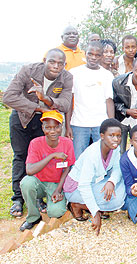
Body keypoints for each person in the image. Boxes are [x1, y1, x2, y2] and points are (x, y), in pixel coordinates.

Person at [3, 48, 73, 218]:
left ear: (65, 64)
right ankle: (18, 199)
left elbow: (64, 103)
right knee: (20, 157)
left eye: (60, 63)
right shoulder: (28, 70)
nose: (56, 66)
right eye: (52, 62)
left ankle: (38, 196)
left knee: (41, 157)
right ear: (44, 60)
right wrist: (38, 108)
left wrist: (45, 99)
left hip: (47, 123)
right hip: (22, 119)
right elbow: (8, 97)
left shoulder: (67, 77)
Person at [64, 118, 126, 235]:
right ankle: (76, 205)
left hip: (94, 183)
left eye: (118, 136)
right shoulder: (92, 154)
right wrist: (95, 212)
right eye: (111, 135)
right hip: (76, 188)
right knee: (115, 201)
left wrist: (111, 182)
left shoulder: (115, 149)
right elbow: (84, 185)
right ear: (102, 136)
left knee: (121, 184)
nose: (116, 139)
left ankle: (95, 205)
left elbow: (118, 168)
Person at [19, 111, 75, 231]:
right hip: (38, 182)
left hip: (56, 184)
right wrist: (52, 156)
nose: (53, 131)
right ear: (42, 128)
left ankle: (58, 201)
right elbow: (29, 171)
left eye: (56, 127)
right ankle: (33, 217)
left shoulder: (67, 143)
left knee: (55, 212)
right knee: (26, 183)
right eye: (48, 127)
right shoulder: (35, 143)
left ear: (61, 127)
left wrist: (59, 189)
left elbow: (67, 168)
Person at [66, 41, 115, 159]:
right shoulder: (74, 73)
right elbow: (70, 101)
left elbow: (109, 101)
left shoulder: (107, 75)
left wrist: (111, 125)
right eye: (90, 54)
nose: (93, 57)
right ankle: (78, 178)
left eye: (97, 55)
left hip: (100, 124)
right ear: (85, 54)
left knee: (102, 158)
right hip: (79, 124)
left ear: (102, 56)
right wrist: (68, 126)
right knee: (78, 158)